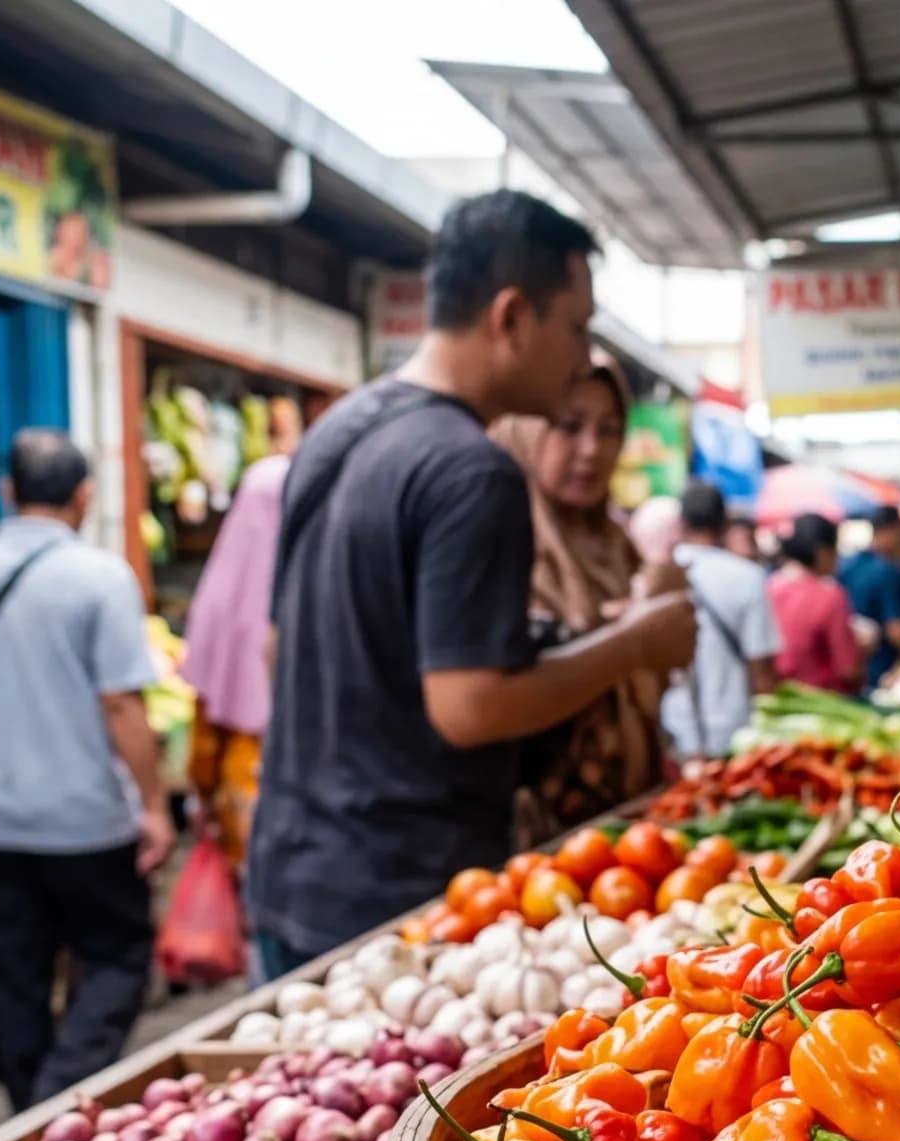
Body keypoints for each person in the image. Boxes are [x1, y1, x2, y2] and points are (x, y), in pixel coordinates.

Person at [248, 189, 695, 972]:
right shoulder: (472, 471)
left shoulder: (338, 431)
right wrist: (636, 643)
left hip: (294, 868)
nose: (581, 356)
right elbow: (470, 706)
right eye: (576, 327)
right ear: (512, 316)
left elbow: (275, 648)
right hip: (402, 901)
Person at [0, 430, 173, 1108]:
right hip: (87, 819)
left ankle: (31, 1114)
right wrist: (153, 803)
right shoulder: (102, 578)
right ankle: (64, 1102)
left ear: (8, 492)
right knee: (118, 958)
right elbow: (122, 704)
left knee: (14, 977)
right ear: (84, 497)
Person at [492, 363, 673, 839]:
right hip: (535, 839)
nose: (592, 449)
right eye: (568, 427)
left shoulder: (620, 546)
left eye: (609, 430)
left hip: (630, 825)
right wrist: (632, 634)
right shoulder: (495, 545)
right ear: (524, 429)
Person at [179, 454, 284, 891]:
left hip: (246, 789)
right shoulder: (332, 578)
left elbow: (205, 713)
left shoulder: (219, 597)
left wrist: (202, 793)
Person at [663, 481, 781, 758]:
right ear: (725, 522)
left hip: (673, 726)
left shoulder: (661, 576)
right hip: (733, 729)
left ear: (681, 522)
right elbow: (761, 669)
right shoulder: (747, 576)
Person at [769, 513, 860, 694]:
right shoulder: (829, 595)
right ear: (823, 552)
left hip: (775, 703)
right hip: (823, 704)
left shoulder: (768, 588)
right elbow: (848, 670)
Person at [837, 507, 900, 693]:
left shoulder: (846, 566)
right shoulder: (888, 572)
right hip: (881, 676)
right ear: (895, 530)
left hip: (852, 674)